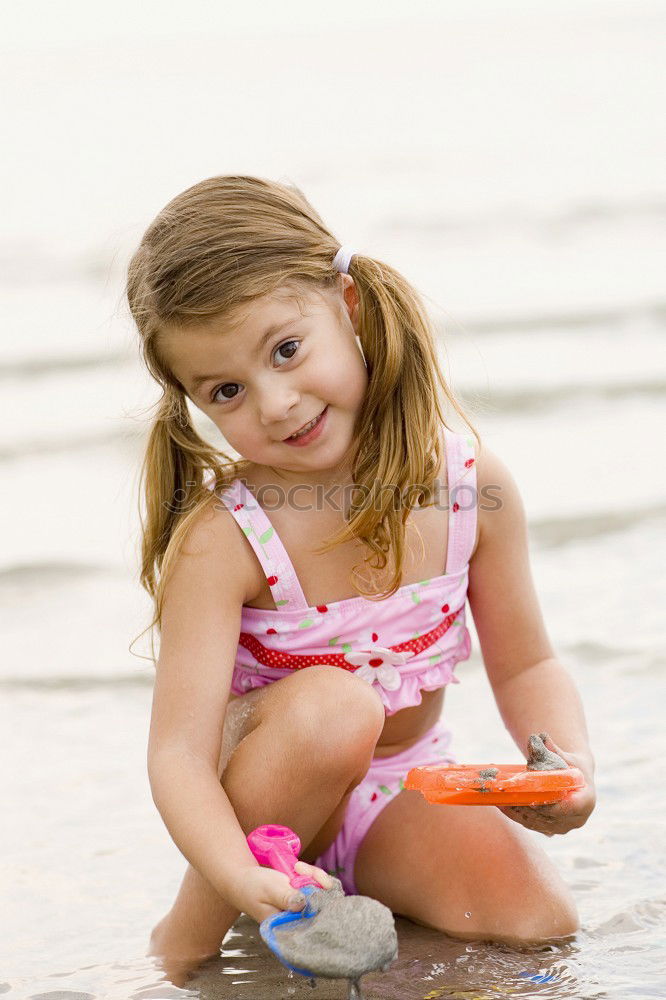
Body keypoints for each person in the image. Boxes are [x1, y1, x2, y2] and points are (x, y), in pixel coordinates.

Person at [126, 174, 596, 978]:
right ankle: (185, 943)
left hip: (391, 795)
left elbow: (528, 663)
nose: (275, 403)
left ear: (346, 304)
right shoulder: (226, 540)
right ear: (193, 401)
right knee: (336, 708)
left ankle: (356, 915)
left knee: (537, 924)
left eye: (286, 349)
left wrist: (565, 768)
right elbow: (178, 755)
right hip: (261, 804)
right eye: (227, 391)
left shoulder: (471, 491)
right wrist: (234, 873)